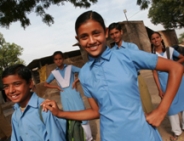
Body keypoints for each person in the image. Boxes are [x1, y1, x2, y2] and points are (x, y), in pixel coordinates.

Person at [41, 11, 184, 141]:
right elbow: (96, 111)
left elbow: (176, 68)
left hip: (142, 134)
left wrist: (161, 110)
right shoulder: (84, 73)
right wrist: (60, 113)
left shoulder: (126, 55)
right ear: (78, 39)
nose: (91, 41)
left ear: (106, 32)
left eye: (96, 33)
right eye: (84, 36)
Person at [2, 64, 66, 141]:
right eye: (6, 86)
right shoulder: (16, 115)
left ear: (30, 83)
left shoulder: (45, 109)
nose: (11, 90)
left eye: (17, 84)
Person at [44, 51, 92, 141]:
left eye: (60, 58)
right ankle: (76, 137)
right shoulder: (54, 73)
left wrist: (76, 81)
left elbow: (83, 71)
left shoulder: (70, 67)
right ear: (54, 61)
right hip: (64, 95)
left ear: (63, 59)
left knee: (81, 111)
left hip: (74, 92)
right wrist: (56, 87)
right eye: (56, 59)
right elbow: (46, 84)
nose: (58, 61)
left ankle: (89, 138)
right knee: (69, 115)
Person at [108, 22, 153, 114]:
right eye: (112, 34)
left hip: (137, 79)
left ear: (121, 32)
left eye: (116, 32)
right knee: (133, 111)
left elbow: (138, 63)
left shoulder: (132, 47)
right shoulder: (112, 52)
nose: (114, 36)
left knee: (147, 108)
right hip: (123, 84)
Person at [150, 32, 184, 141]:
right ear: (151, 41)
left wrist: (173, 65)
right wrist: (159, 89)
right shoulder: (152, 56)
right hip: (165, 83)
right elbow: (154, 73)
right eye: (153, 39)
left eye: (157, 37)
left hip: (178, 80)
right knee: (170, 107)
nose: (156, 40)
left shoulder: (170, 51)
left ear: (161, 38)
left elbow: (182, 58)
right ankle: (177, 132)